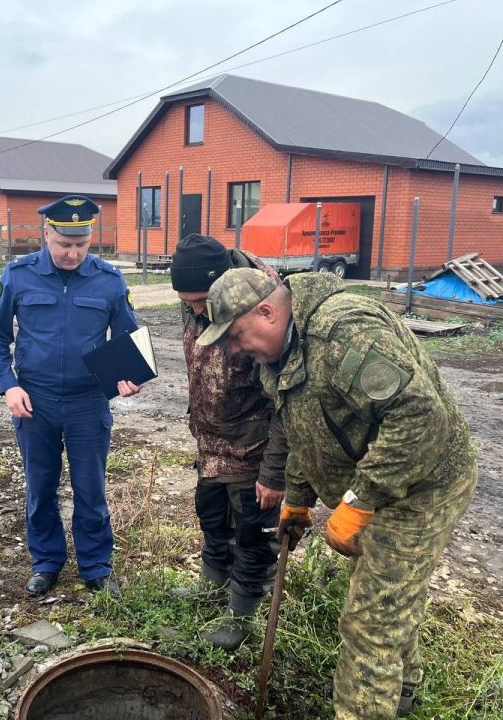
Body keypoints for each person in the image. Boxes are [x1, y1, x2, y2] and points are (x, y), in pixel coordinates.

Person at [196, 268, 478, 719]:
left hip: (423, 485)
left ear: (266, 311)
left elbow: (421, 418)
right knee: (386, 597)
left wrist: (361, 499)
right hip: (382, 475)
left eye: (234, 335)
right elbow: (300, 429)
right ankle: (402, 695)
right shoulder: (281, 355)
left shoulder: (343, 333)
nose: (233, 349)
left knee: (370, 623)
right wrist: (298, 496)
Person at [0, 195, 140, 599]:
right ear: (46, 234)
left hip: (89, 403)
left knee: (91, 487)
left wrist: (130, 376)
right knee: (40, 486)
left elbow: (128, 340)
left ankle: (96, 566)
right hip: (36, 401)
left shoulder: (109, 280)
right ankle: (47, 562)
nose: (72, 253)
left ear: (91, 239)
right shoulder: (18, 275)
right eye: (63, 244)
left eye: (81, 244)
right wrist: (8, 384)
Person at [168, 234, 287, 651]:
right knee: (212, 516)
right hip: (210, 442)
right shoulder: (195, 299)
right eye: (188, 302)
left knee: (253, 534)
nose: (195, 309)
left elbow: (285, 404)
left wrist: (274, 471)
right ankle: (211, 584)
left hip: (253, 447)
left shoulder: (255, 304)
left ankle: (241, 613)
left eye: (200, 301)